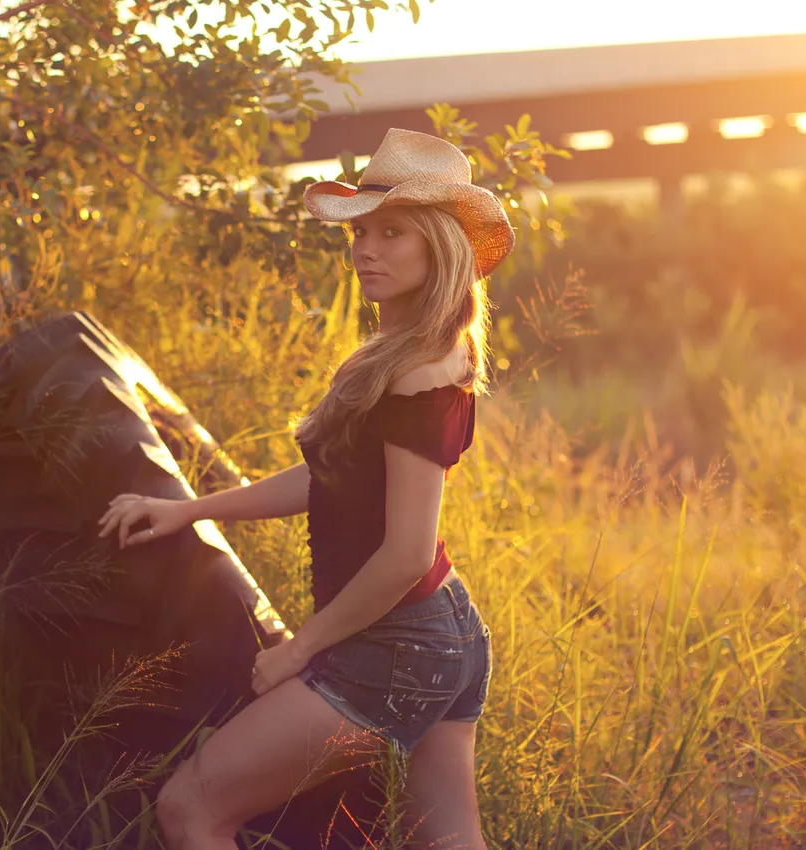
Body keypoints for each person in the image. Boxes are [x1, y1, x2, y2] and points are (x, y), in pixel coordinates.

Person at [97, 128, 514, 850]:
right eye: (361, 232)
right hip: (441, 635)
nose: (366, 250)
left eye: (394, 234)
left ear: (440, 249)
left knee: (191, 809)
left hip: (396, 641)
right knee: (445, 843)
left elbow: (407, 553)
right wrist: (188, 510)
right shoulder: (405, 354)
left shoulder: (418, 373)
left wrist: (301, 649)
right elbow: (332, 481)